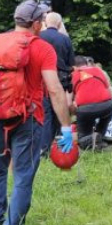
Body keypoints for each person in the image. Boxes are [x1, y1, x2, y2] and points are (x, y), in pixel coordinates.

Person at [0, 0, 72, 225]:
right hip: (28, 118)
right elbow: (54, 89)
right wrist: (65, 126)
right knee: (22, 176)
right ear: (37, 24)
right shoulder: (41, 48)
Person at [39, 11, 75, 154]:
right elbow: (71, 62)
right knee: (58, 112)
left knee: (46, 113)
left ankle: (44, 148)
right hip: (60, 80)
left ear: (45, 23)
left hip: (43, 80)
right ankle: (57, 145)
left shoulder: (39, 37)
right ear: (59, 24)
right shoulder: (64, 39)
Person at [71, 55, 112, 150]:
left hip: (85, 110)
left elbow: (70, 101)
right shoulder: (98, 71)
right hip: (106, 106)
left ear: (73, 67)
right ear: (86, 63)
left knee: (83, 139)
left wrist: (75, 113)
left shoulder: (73, 75)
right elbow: (109, 91)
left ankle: (88, 139)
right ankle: (99, 134)